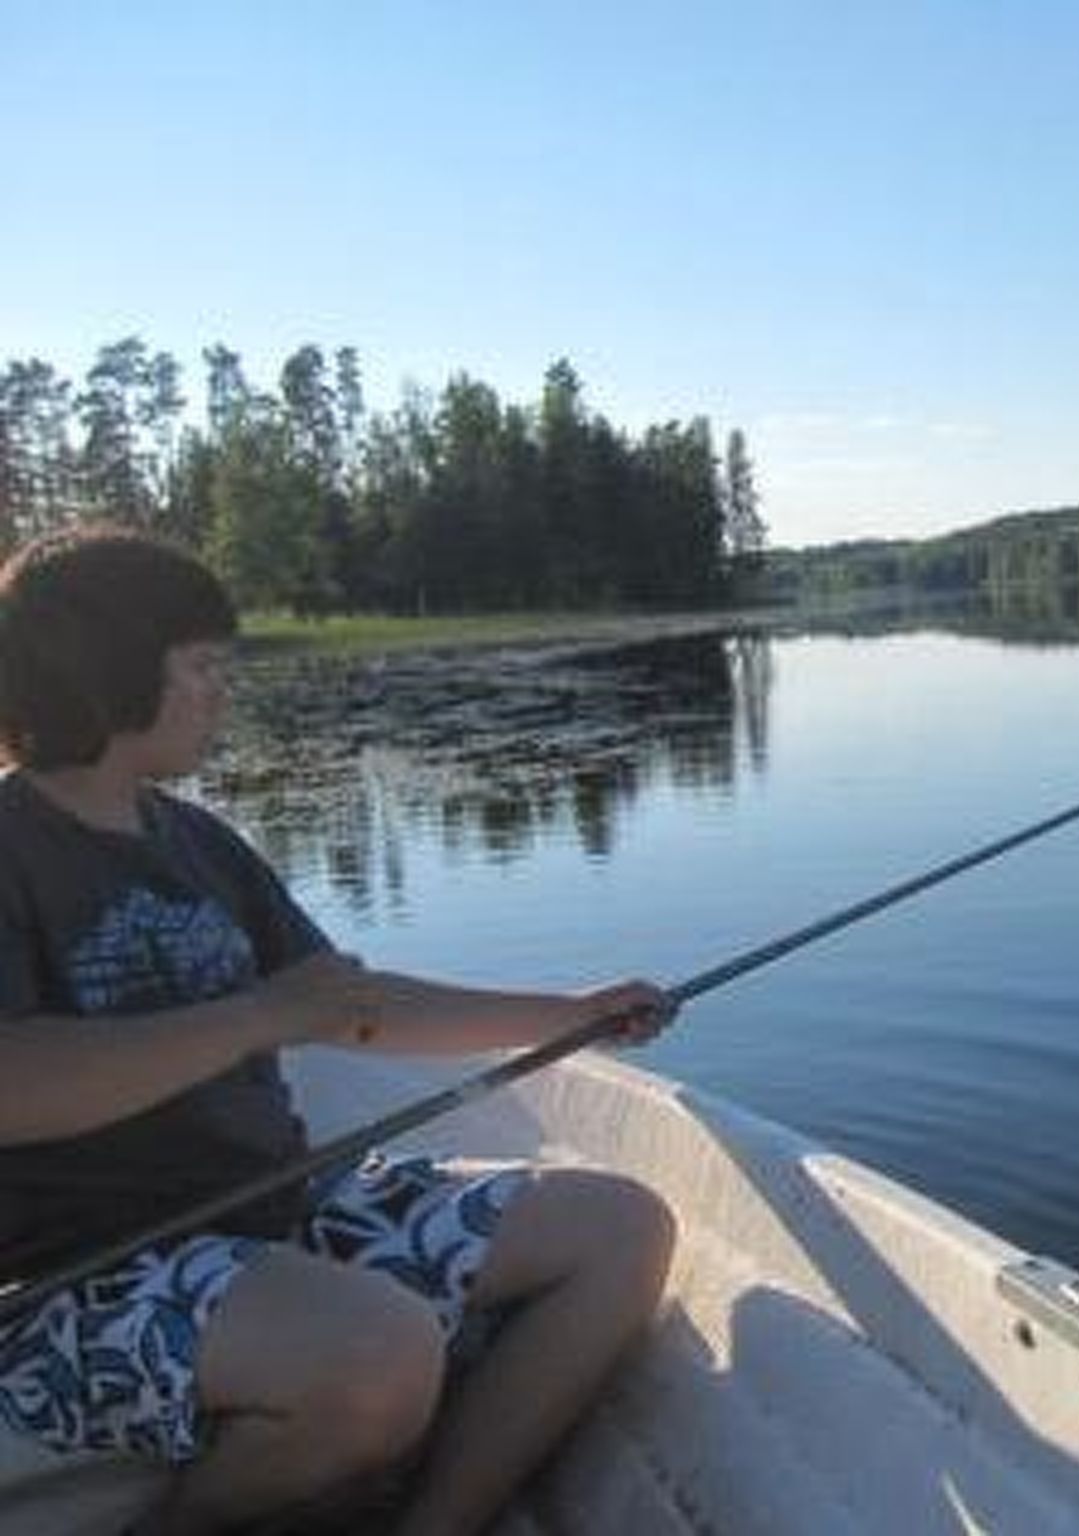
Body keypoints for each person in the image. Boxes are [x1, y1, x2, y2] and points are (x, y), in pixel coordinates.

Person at [0, 524, 680, 1535]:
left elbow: (354, 1008)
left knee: (621, 1228)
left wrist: (572, 1016)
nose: (221, 691)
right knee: (382, 1355)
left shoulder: (195, 841)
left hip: (280, 1212)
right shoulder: (12, 850)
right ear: (103, 674)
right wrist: (256, 1017)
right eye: (200, 667)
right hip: (81, 1281)